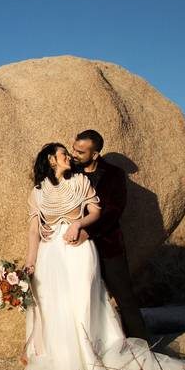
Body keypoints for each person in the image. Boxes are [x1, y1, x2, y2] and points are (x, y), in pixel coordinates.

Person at [21, 142, 185, 370]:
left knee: (83, 300)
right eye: (63, 154)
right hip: (50, 253)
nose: (68, 157)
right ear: (51, 160)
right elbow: (34, 230)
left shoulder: (79, 182)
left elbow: (96, 212)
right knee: (56, 304)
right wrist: (30, 262)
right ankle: (63, 358)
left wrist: (78, 225)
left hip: (79, 250)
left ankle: (89, 357)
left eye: (68, 153)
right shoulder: (38, 192)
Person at [69, 129, 151, 342]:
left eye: (80, 151)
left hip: (107, 245)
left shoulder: (114, 174)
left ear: (95, 154)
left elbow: (114, 210)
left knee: (124, 297)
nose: (74, 154)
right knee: (82, 299)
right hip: (76, 247)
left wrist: (89, 231)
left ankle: (141, 347)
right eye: (74, 149)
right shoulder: (69, 172)